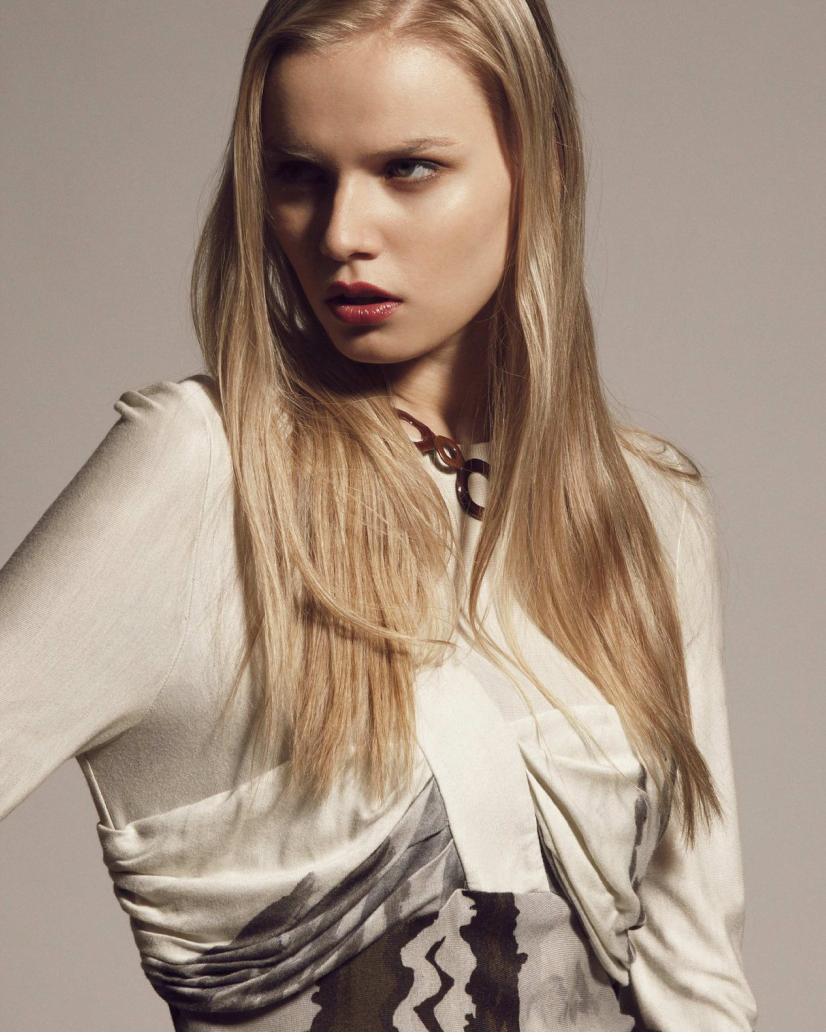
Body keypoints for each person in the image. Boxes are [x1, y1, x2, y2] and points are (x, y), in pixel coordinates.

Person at [0, 0, 758, 1031]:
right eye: (298, 176)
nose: (341, 234)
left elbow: (698, 984)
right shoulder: (203, 473)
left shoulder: (646, 508)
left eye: (407, 169)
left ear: (539, 167)